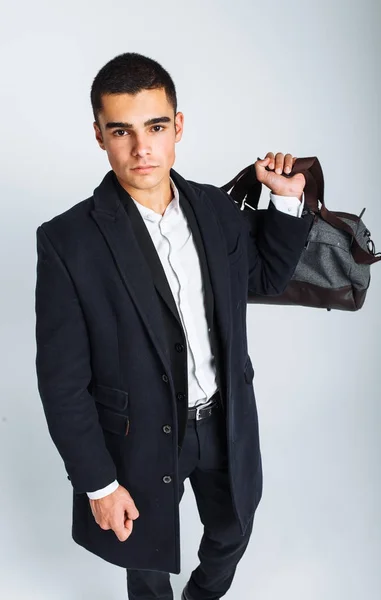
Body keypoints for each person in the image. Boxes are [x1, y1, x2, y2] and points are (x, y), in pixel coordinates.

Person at [35, 52, 311, 600]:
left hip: (225, 420)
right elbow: (62, 384)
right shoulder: (68, 242)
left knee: (234, 530)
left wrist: (285, 200)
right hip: (138, 437)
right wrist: (99, 483)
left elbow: (266, 277)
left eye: (156, 127)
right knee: (147, 557)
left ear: (177, 127)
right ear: (99, 135)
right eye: (122, 131)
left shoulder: (217, 210)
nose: (142, 148)